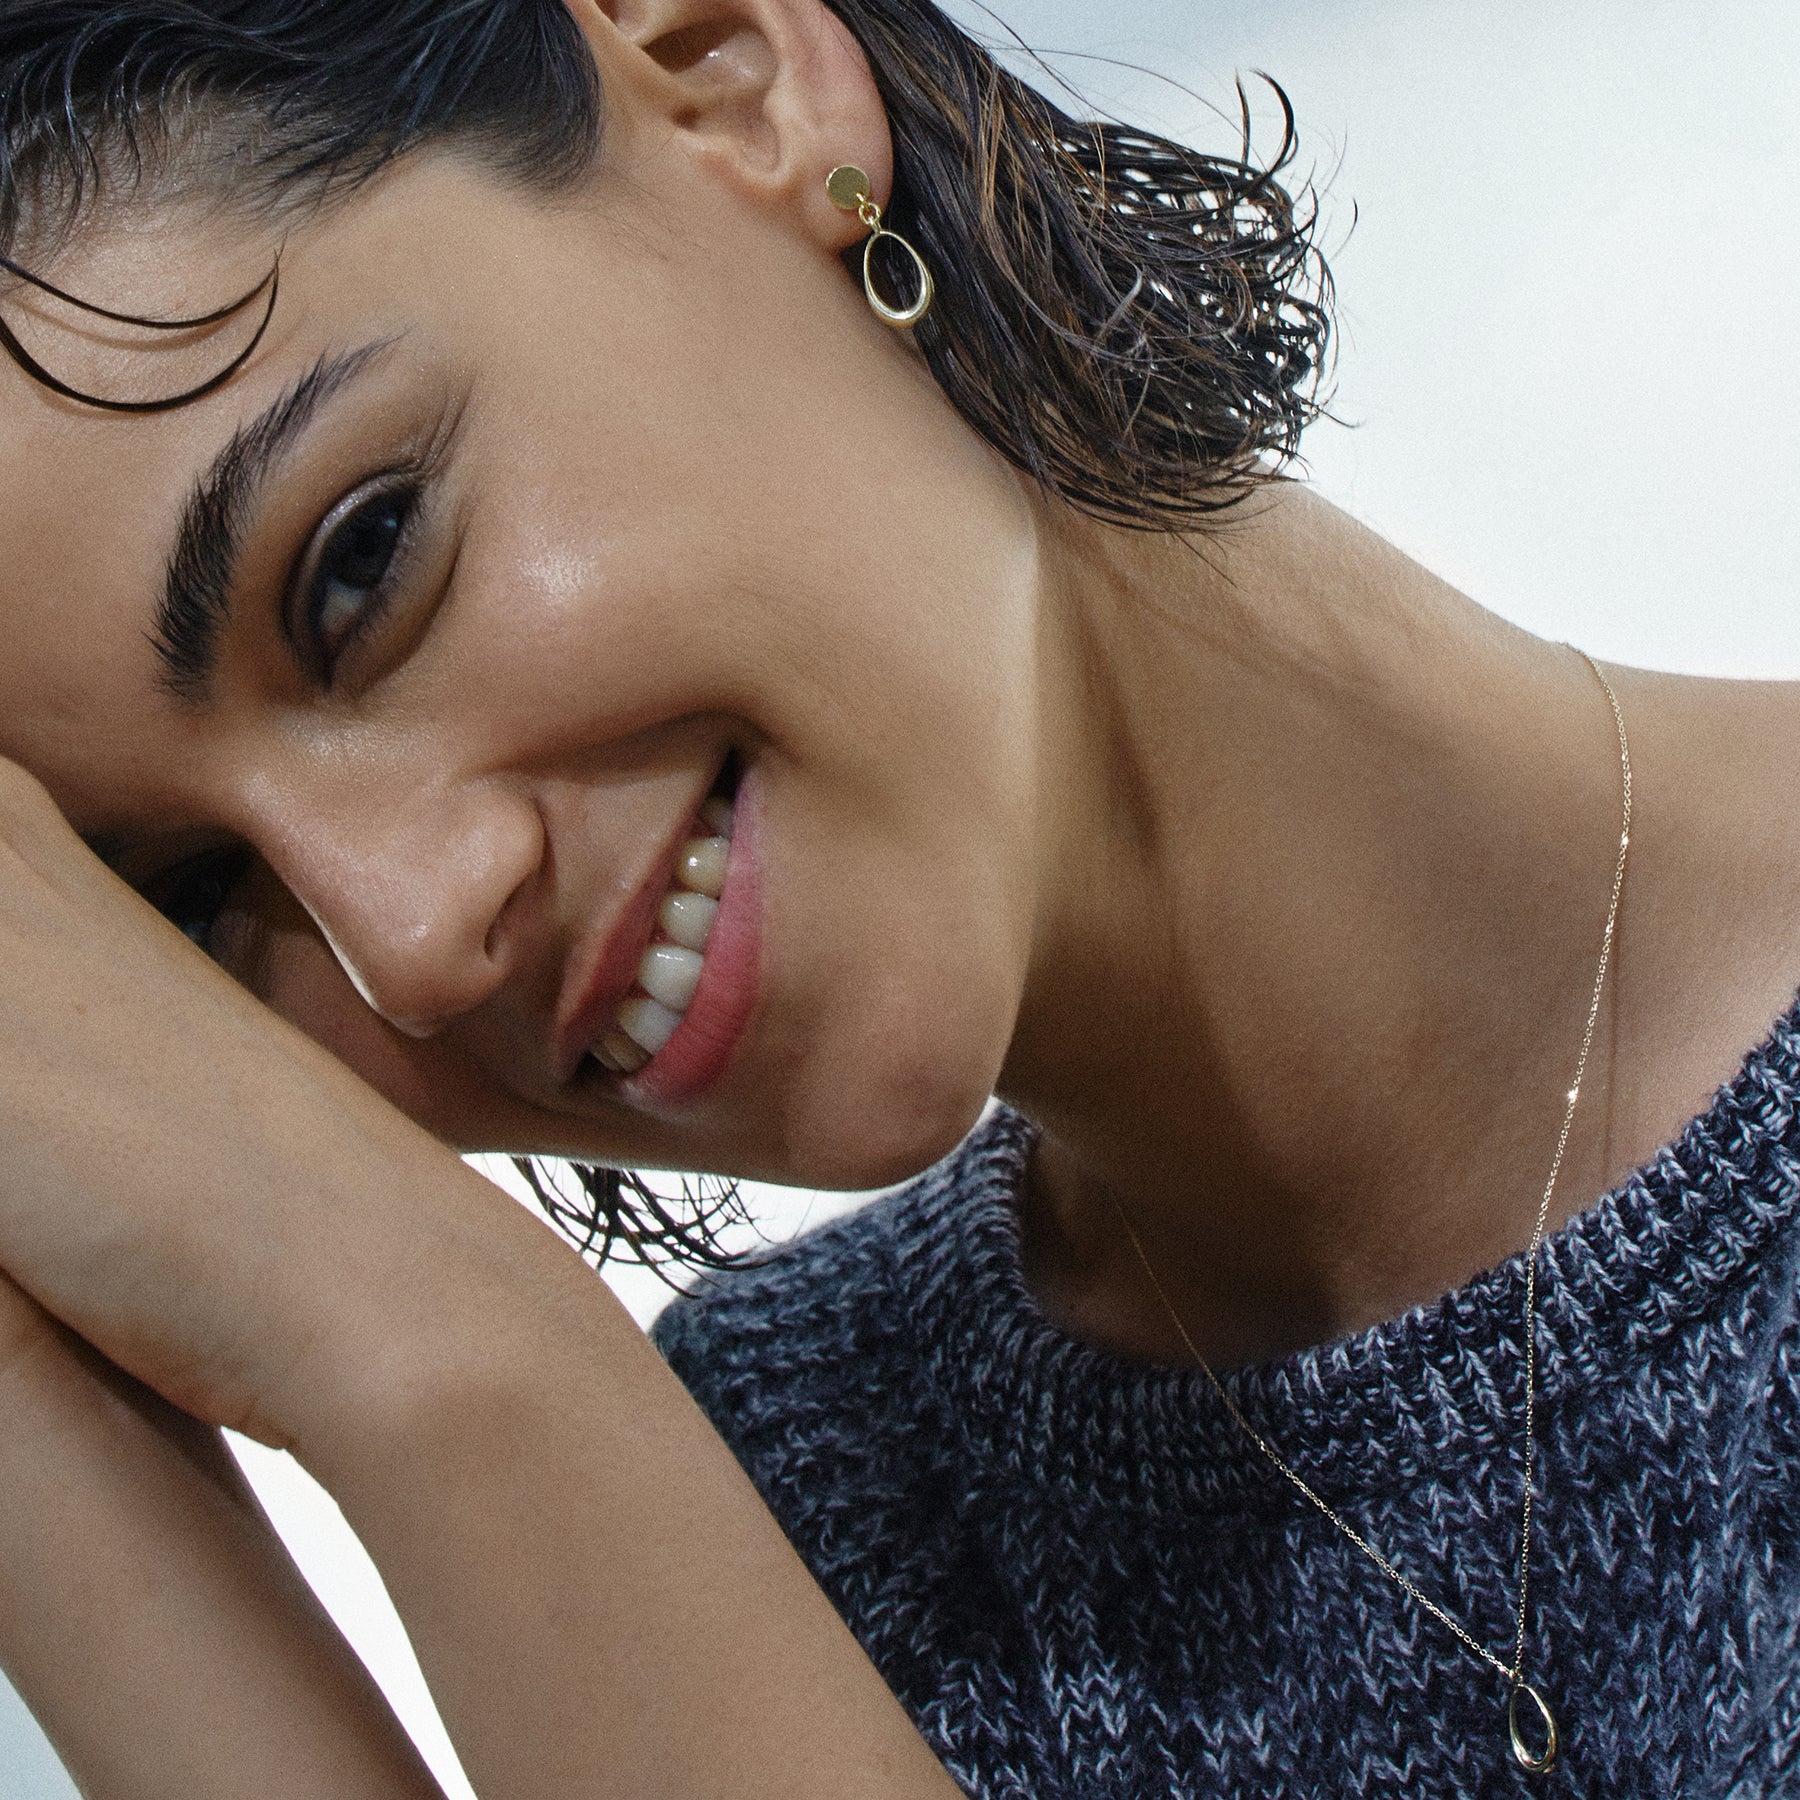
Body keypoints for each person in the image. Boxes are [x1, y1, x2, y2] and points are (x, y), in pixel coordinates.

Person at [0, 1, 1796, 1795]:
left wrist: (466, 1367)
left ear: (729, 84)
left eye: (361, 562)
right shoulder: (781, 1501)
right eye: (197, 908)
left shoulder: (624, 1490)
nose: (403, 939)